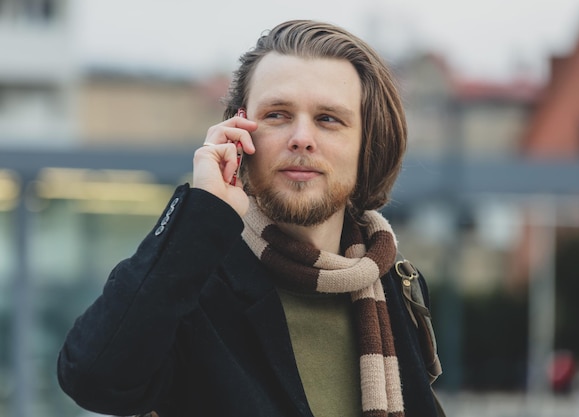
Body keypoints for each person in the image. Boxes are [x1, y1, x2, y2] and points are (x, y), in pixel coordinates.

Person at [57, 19, 443, 417]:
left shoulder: (395, 283)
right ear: (238, 132)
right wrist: (203, 209)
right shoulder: (195, 285)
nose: (301, 137)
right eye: (277, 114)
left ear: (368, 146)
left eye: (329, 119)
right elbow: (92, 378)